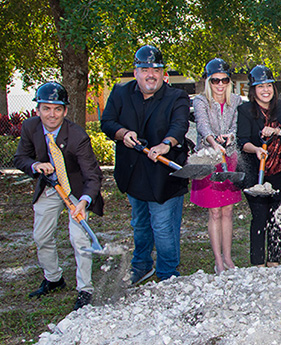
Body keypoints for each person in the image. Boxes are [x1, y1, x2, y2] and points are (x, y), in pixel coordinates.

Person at [100, 45, 190, 285]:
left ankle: (168, 274)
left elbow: (180, 125)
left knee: (163, 227)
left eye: (156, 69)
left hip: (165, 174)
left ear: (163, 73)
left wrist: (165, 144)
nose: (151, 74)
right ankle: (141, 266)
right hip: (133, 173)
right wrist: (122, 133)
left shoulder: (176, 96)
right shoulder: (120, 93)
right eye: (145, 69)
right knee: (140, 224)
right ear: (136, 71)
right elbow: (107, 122)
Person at [14, 82, 104, 310]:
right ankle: (53, 278)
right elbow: (20, 158)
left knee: (80, 238)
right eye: (46, 108)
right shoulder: (29, 127)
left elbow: (92, 175)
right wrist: (35, 165)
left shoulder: (77, 136)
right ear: (38, 110)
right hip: (49, 186)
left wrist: (84, 202)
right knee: (41, 236)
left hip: (75, 189)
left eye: (57, 109)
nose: (51, 114)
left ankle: (85, 289)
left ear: (65, 111)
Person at [237, 64, 281, 267]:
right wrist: (255, 149)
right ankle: (257, 263)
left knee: (277, 217)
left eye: (269, 85)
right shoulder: (245, 110)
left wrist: (277, 132)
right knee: (259, 217)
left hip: (278, 170)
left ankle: (274, 260)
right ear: (253, 89)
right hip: (256, 172)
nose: (265, 90)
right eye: (260, 86)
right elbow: (242, 140)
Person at [191, 58, 243, 274]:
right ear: (208, 81)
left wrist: (230, 137)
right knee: (214, 212)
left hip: (229, 158)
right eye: (215, 81)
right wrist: (214, 143)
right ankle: (218, 261)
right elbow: (203, 126)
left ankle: (229, 258)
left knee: (228, 211)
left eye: (224, 80)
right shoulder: (200, 101)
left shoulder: (236, 100)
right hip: (208, 159)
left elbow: (236, 126)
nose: (220, 85)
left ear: (229, 81)